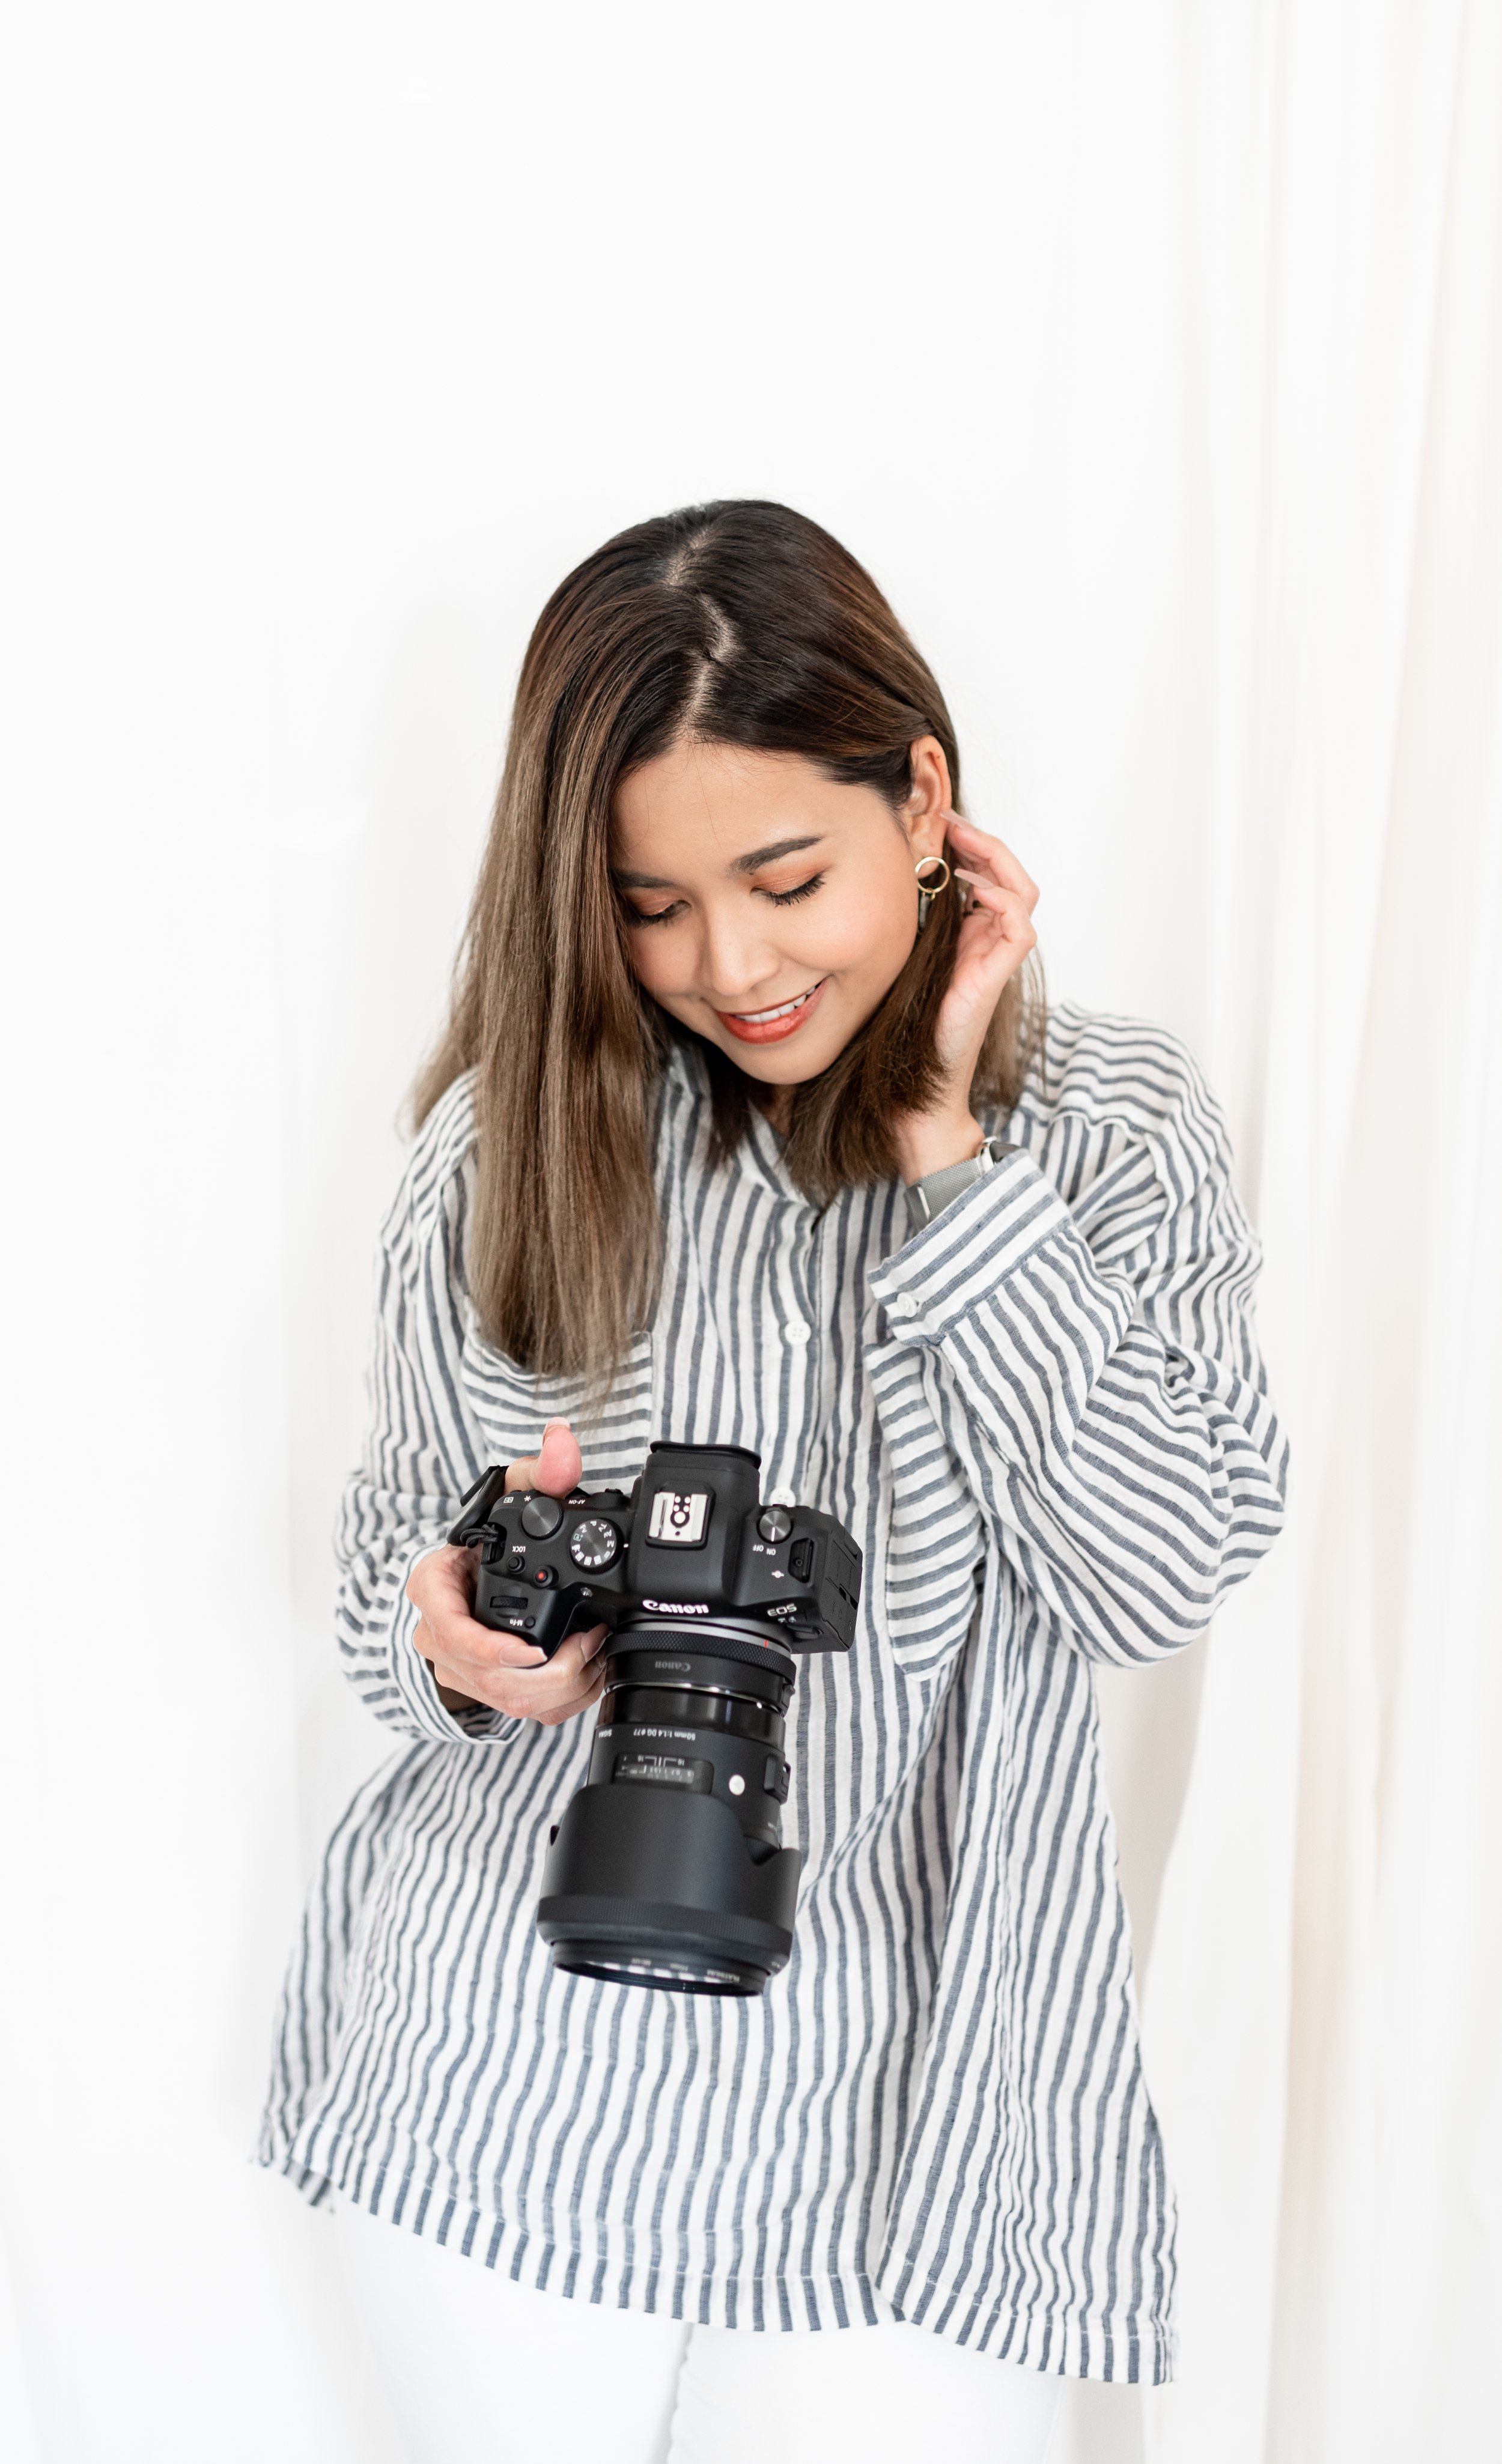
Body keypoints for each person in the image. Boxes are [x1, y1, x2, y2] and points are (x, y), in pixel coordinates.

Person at [258, 501, 1288, 2464]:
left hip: (916, 2107)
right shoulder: (522, 1137)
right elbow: (384, 1599)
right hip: (506, 2050)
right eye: (650, 906)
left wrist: (939, 1154)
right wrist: (470, 1648)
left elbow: (1151, 1576)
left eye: (784, 873)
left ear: (922, 799)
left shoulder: (1110, 1125)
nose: (726, 964)